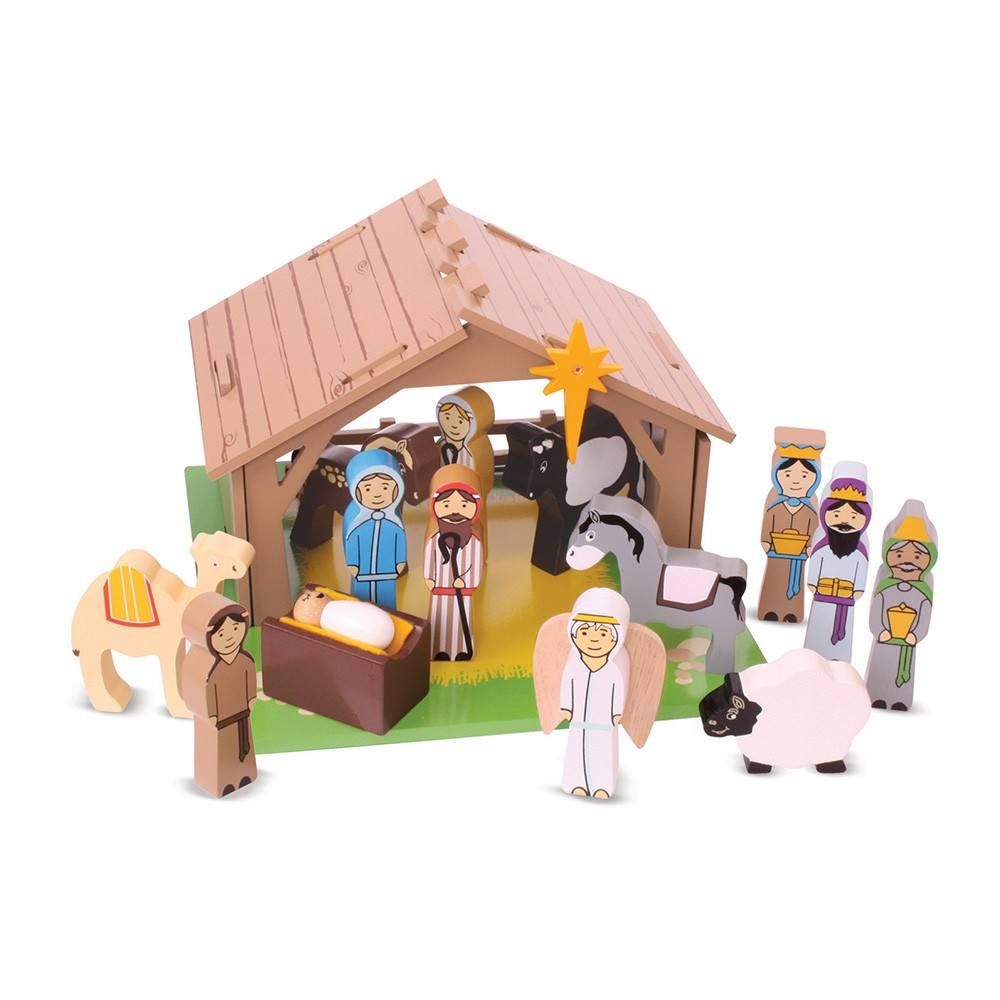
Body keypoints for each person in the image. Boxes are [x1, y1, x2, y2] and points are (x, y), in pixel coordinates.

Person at [180, 593, 257, 797]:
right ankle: (224, 783)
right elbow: (201, 690)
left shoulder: (245, 660)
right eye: (221, 634)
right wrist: (210, 714)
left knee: (241, 748)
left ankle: (244, 775)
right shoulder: (205, 667)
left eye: (236, 628)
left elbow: (249, 678)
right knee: (219, 749)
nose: (230, 637)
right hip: (217, 720)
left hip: (241, 713)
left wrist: (251, 698)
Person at [864, 501, 937, 710]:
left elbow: (925, 613)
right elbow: (877, 607)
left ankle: (899, 699)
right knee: (882, 662)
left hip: (908, 640)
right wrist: (880, 630)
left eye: (917, 556)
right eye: (899, 555)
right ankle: (876, 695)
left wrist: (916, 634)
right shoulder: (884, 580)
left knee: (902, 668)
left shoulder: (925, 586)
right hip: (884, 637)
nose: (908, 561)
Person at [558, 588, 631, 799]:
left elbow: (618, 689)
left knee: (603, 752)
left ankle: (601, 785)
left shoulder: (614, 667)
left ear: (615, 638)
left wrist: (616, 712)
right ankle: (575, 783)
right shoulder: (574, 664)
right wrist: (567, 706)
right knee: (577, 749)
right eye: (584, 632)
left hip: (603, 721)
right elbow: (568, 684)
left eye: (603, 634)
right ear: (574, 634)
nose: (593, 639)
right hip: (578, 720)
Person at [803, 462, 873, 661]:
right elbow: (815, 564)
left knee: (842, 641)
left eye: (853, 516)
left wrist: (857, 589)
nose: (845, 520)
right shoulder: (822, 545)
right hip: (822, 596)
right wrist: (814, 583)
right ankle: (814, 655)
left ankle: (838, 659)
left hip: (846, 599)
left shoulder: (861, 549)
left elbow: (861, 569)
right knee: (817, 632)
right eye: (836, 514)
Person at [758, 431, 824, 623]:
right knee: (774, 580)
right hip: (775, 554)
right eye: (788, 474)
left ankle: (791, 612)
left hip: (799, 556)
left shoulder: (810, 508)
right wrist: (767, 543)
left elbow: (814, 530)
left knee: (794, 584)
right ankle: (770, 609)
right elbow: (767, 526)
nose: (796, 481)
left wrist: (809, 547)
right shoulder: (774, 504)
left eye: (804, 475)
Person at [423, 464, 484, 660]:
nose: (455, 510)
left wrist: (467, 582)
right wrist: (430, 579)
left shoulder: (474, 541)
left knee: (460, 619)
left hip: (462, 591)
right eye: (447, 504)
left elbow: (475, 565)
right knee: (440, 619)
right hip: (439, 589)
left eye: (464, 505)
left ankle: (461, 650)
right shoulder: (435, 538)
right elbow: (430, 559)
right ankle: (438, 650)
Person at [342, 449, 407, 608]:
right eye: (368, 489)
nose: (377, 494)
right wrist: (353, 563)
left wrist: (400, 561)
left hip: (387, 573)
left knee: (387, 605)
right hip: (362, 574)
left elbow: (399, 540)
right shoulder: (356, 521)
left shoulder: (394, 522)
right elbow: (351, 541)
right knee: (362, 605)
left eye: (385, 488)